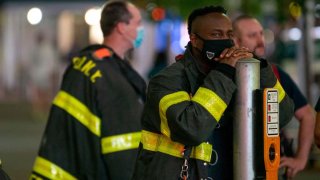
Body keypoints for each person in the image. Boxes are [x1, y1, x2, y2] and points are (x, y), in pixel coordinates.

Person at [132, 6, 294, 180]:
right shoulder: (166, 81)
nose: (225, 41)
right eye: (216, 35)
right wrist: (224, 72)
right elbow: (192, 129)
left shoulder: (241, 75)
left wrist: (260, 70)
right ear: (194, 39)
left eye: (229, 35)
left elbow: (282, 116)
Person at [30, 1, 146, 179]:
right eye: (138, 23)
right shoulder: (111, 76)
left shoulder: (85, 64)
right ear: (122, 27)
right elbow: (120, 147)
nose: (141, 29)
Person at [233, 15, 315, 179]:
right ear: (235, 40)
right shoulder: (223, 76)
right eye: (252, 35)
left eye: (261, 33)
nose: (260, 40)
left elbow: (307, 115)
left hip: (271, 168)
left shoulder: (275, 73)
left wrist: (300, 159)